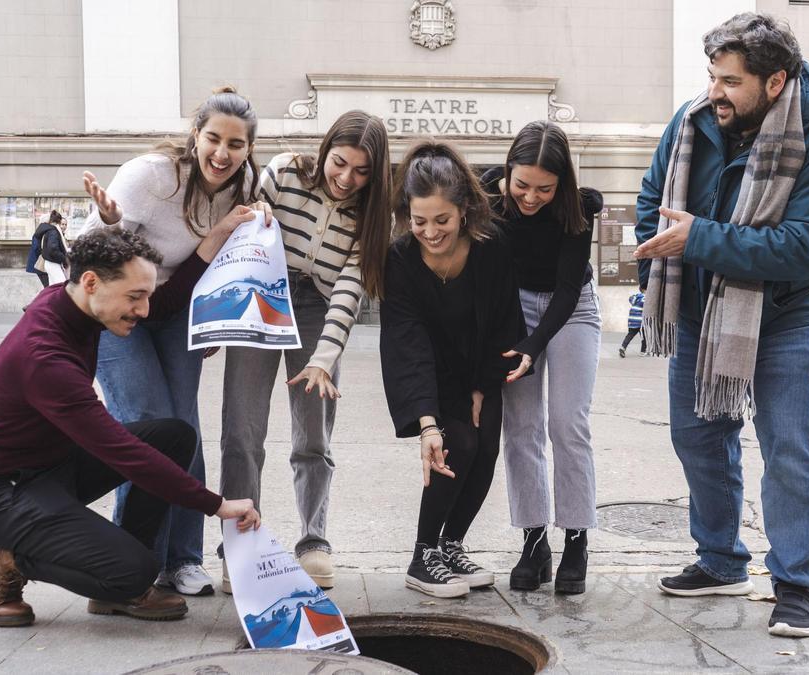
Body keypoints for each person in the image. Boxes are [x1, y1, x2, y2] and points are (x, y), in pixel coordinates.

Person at [633, 13, 809, 638]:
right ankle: (721, 559)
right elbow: (653, 200)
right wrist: (668, 236)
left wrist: (697, 236)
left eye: (731, 81)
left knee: (788, 449)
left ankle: (796, 584)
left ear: (776, 80)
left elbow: (800, 248)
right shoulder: (692, 123)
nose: (715, 92)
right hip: (702, 307)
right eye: (712, 76)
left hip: (786, 313)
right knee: (698, 437)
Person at [0, 225, 261, 628]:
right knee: (134, 569)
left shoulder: (72, 303)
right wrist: (217, 505)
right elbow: (119, 450)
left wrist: (211, 246)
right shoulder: (45, 356)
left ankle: (124, 586)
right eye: (135, 297)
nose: (144, 310)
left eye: (145, 295)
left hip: (48, 471)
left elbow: (161, 306)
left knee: (173, 436)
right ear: (92, 282)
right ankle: (1, 561)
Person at [81, 86, 269, 597]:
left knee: (183, 427)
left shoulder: (243, 185)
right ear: (195, 135)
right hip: (121, 312)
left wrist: (213, 319)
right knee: (148, 425)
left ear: (249, 149)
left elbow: (216, 263)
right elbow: (91, 253)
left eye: (236, 144)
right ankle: (134, 562)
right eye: (213, 139)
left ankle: (182, 559)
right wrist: (112, 220)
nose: (222, 154)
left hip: (177, 311)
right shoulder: (152, 176)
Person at [219, 110, 391, 592]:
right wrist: (219, 320)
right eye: (339, 163)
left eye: (361, 172)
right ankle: (241, 543)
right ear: (325, 150)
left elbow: (349, 289)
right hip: (261, 297)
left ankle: (313, 540)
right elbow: (241, 238)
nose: (346, 179)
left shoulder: (373, 214)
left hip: (319, 309)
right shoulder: (284, 172)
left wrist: (324, 356)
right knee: (242, 430)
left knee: (313, 434)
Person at [380, 140, 526, 598]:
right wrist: (426, 422)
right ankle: (422, 556)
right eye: (419, 221)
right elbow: (406, 342)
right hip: (432, 372)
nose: (430, 231)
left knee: (484, 450)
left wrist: (484, 385)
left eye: (442, 220)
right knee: (455, 442)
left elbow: (504, 318)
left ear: (464, 210)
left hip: (482, 363)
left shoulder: (492, 245)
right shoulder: (400, 258)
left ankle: (450, 545)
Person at [481, 120, 604, 595]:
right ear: (508, 172)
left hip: (571, 309)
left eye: (544, 189)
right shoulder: (490, 197)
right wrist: (515, 338)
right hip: (515, 306)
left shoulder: (579, 207)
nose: (530, 198)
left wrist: (534, 347)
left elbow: (569, 287)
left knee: (568, 423)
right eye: (522, 185)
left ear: (563, 184)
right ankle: (534, 541)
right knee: (521, 426)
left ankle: (576, 538)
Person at [29, 210, 67, 287]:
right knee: (61, 287)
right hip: (50, 262)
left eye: (65, 224)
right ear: (58, 222)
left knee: (52, 287)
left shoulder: (46, 231)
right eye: (62, 224)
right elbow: (52, 249)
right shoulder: (53, 232)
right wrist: (65, 258)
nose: (63, 226)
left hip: (48, 262)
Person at [619, 285, 647, 358]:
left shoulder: (636, 297)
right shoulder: (645, 298)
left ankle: (623, 347)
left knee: (630, 335)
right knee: (644, 337)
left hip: (632, 320)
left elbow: (631, 299)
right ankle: (642, 351)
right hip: (640, 321)